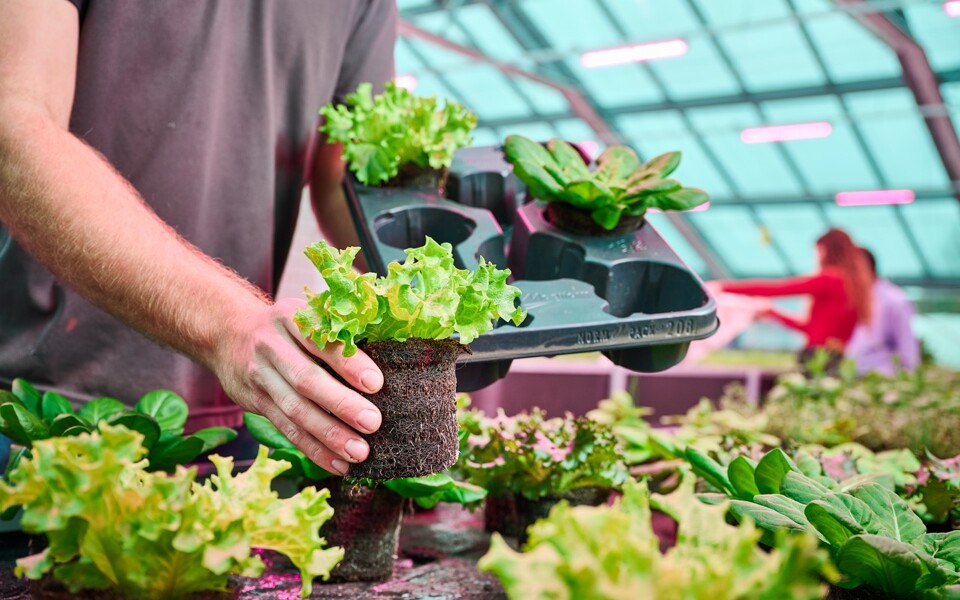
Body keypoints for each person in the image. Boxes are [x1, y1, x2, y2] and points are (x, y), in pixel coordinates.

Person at [0, 1, 397, 476]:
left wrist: (447, 260)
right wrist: (227, 322)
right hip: (38, 406)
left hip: (238, 415)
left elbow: (346, 180)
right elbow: (14, 128)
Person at [713, 228, 873, 369]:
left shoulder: (830, 280)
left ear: (824, 251)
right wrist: (772, 312)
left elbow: (777, 289)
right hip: (838, 360)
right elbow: (811, 328)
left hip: (817, 360)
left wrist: (723, 287)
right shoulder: (856, 288)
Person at [845, 248, 920, 375]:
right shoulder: (857, 299)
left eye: (854, 268)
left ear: (867, 267)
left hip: (884, 378)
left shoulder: (893, 300)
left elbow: (908, 350)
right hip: (857, 376)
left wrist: (905, 380)